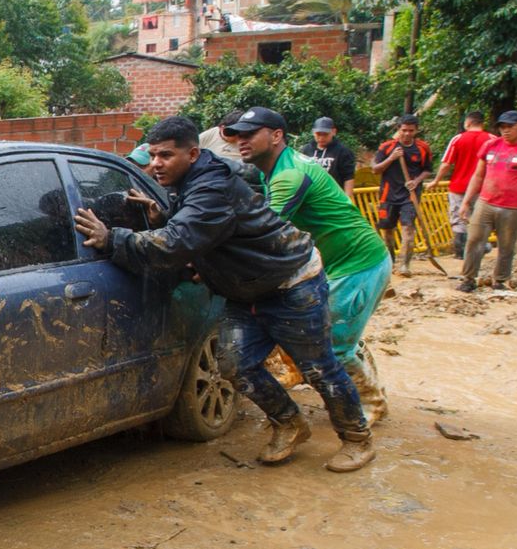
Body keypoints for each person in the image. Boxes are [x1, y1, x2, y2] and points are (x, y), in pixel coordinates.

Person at [73, 115, 376, 472]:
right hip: (244, 287)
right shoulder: (192, 182)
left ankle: (357, 439)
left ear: (193, 154)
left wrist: (113, 238)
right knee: (235, 364)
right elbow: (198, 229)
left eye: (166, 155)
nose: (156, 164)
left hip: (290, 282)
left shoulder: (211, 188)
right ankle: (290, 423)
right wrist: (162, 217)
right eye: (153, 155)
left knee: (319, 368)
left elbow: (179, 241)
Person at [225, 106, 393, 425]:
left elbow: (262, 234)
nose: (240, 141)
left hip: (357, 264)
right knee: (334, 338)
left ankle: (370, 405)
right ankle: (361, 382)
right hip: (338, 263)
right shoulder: (271, 169)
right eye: (237, 135)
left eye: (249, 134)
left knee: (333, 345)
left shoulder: (289, 176)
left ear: (276, 136)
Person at [457, 110, 517, 293]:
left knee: (507, 245)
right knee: (474, 240)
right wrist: (466, 201)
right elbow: (478, 175)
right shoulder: (491, 145)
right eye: (502, 127)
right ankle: (468, 278)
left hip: (514, 207)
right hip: (486, 201)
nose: (506, 131)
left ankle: (501, 280)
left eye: (510, 126)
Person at [370, 115, 432, 277]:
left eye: (411, 131)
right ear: (398, 130)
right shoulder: (387, 147)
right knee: (387, 230)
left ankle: (405, 265)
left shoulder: (422, 148)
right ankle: (390, 262)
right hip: (388, 195)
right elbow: (375, 169)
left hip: (410, 196)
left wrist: (416, 181)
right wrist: (392, 158)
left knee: (408, 229)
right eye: (404, 130)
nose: (407, 134)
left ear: (416, 130)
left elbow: (427, 170)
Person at [431, 112, 491, 260]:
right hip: (483, 188)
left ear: (467, 123)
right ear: (482, 123)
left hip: (459, 186)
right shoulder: (492, 140)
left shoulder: (458, 139)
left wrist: (436, 180)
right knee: (480, 219)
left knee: (459, 219)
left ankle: (459, 252)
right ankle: (480, 248)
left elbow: (446, 164)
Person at [296, 117, 356, 195]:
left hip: (333, 197)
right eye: (318, 134)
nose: (321, 137)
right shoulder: (305, 150)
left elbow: (348, 177)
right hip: (311, 197)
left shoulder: (343, 151)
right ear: (313, 132)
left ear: (334, 132)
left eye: (325, 134)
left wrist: (347, 200)